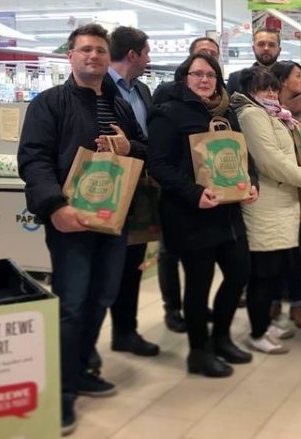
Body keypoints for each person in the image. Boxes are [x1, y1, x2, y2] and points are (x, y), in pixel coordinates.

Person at [17, 23, 147, 435]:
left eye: (100, 51)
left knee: (102, 296)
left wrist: (131, 148)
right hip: (70, 220)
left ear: (110, 59)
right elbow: (34, 159)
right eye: (85, 50)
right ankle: (61, 394)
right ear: (70, 56)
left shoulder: (119, 105)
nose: (94, 56)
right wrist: (54, 206)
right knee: (72, 303)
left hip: (114, 219)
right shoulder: (49, 104)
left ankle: (80, 367)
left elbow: (144, 149)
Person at [147, 52, 258, 378]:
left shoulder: (228, 114)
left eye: (210, 74)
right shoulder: (167, 114)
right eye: (197, 74)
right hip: (190, 214)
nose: (204, 80)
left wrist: (251, 182)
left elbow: (242, 155)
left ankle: (221, 338)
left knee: (240, 273)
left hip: (228, 212)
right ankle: (199, 352)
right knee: (199, 284)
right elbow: (159, 165)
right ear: (184, 78)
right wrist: (195, 193)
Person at [232, 67, 301, 353]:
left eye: (273, 89)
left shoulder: (274, 115)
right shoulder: (251, 115)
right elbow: (269, 160)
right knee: (263, 272)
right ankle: (258, 332)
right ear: (250, 92)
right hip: (266, 206)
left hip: (283, 203)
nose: (271, 94)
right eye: (264, 90)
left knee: (276, 271)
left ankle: (265, 324)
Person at [154, 37, 221, 332]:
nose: (205, 76)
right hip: (178, 195)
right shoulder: (168, 98)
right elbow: (160, 156)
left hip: (212, 198)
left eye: (212, 63)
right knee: (169, 254)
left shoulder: (222, 104)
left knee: (201, 269)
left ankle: (197, 307)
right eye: (200, 64)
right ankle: (173, 308)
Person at [107, 25, 160, 357]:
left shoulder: (142, 91)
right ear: (133, 54)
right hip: (112, 188)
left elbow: (144, 140)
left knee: (132, 262)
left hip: (141, 190)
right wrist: (141, 148)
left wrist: (140, 149)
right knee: (110, 265)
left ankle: (125, 331)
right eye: (146, 52)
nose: (149, 59)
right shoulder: (101, 91)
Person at [269, 60, 301, 328]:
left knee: (296, 250)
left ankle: (296, 304)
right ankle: (274, 299)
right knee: (276, 249)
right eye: (298, 75)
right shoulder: (268, 113)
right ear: (283, 81)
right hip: (275, 191)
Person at [226, 27, 282, 94]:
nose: (266, 48)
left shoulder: (290, 77)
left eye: (271, 45)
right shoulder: (236, 79)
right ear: (253, 49)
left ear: (279, 50)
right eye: (261, 44)